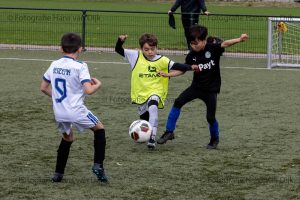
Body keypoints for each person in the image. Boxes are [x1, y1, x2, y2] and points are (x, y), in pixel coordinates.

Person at [157, 25, 248, 149]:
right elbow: (183, 70)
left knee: (210, 118)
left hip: (211, 90)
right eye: (191, 43)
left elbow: (225, 44)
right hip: (196, 87)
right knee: (178, 102)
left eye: (196, 43)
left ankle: (214, 140)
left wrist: (239, 39)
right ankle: (169, 131)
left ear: (204, 40)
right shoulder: (191, 55)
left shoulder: (212, 48)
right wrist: (168, 74)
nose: (194, 46)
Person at [40, 33, 108, 183]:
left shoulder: (54, 64)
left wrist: (58, 98)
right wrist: (98, 85)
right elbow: (89, 90)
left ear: (60, 49)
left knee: (68, 138)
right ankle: (98, 165)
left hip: (59, 112)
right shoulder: (80, 66)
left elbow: (44, 88)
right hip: (76, 110)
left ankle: (58, 174)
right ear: (80, 49)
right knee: (100, 129)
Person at [115, 33, 198, 149]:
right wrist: (120, 41)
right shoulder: (135, 56)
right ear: (141, 49)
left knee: (153, 107)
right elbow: (118, 49)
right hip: (140, 94)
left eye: (152, 49)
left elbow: (178, 66)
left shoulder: (163, 60)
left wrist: (191, 67)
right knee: (144, 119)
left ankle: (152, 138)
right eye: (146, 49)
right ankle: (146, 134)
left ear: (156, 48)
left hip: (156, 91)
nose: (150, 52)